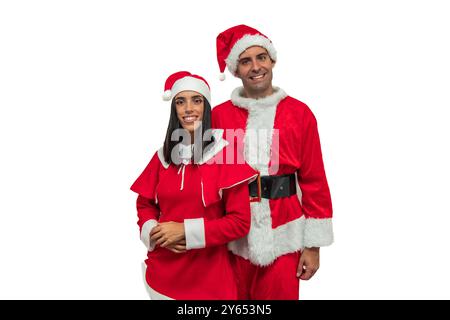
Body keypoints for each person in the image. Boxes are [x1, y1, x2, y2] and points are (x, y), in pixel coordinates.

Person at [211, 25, 334, 300]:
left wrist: (313, 245)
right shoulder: (218, 117)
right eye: (245, 61)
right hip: (232, 241)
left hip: (284, 237)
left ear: (272, 61)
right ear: (235, 70)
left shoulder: (300, 114)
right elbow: (206, 181)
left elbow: (314, 180)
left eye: (261, 57)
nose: (255, 67)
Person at [130, 71, 257, 300]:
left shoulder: (226, 154)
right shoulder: (162, 156)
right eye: (181, 101)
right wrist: (155, 232)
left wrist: (185, 231)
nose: (188, 108)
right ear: (174, 110)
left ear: (206, 107)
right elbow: (145, 204)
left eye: (196, 100)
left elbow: (239, 223)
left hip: (210, 282)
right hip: (162, 277)